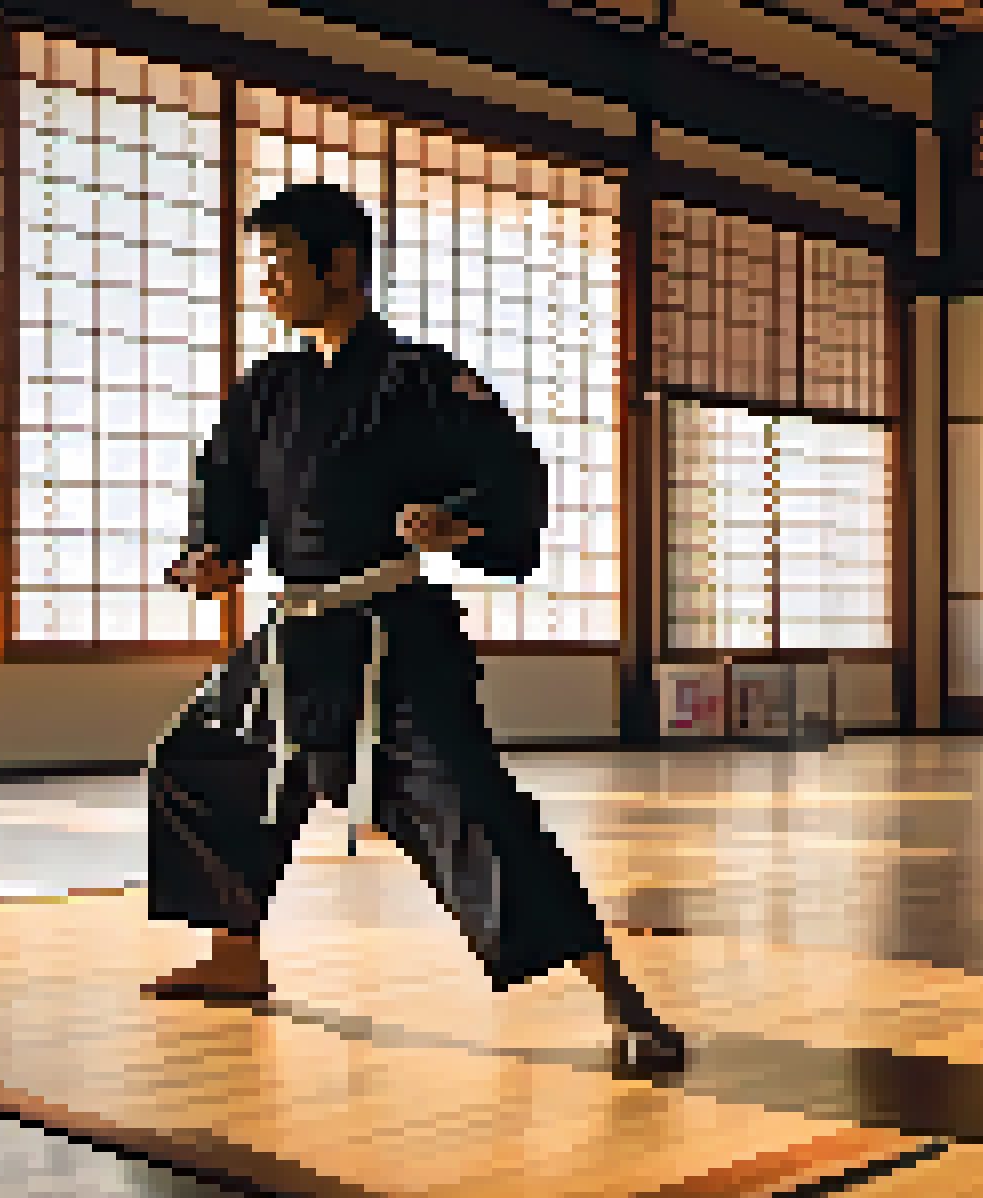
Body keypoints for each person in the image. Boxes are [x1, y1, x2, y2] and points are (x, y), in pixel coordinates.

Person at [145, 182, 684, 1072]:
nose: (269, 285)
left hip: (392, 634)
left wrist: (457, 522)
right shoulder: (268, 388)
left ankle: (619, 999)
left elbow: (512, 478)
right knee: (201, 760)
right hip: (294, 637)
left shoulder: (424, 380)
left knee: (471, 809)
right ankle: (237, 956)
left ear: (341, 267)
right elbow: (227, 487)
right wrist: (212, 552)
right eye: (264, 267)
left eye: (282, 265)